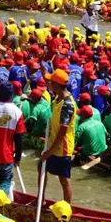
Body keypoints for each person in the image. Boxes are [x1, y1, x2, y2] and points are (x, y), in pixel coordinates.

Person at [41, 69, 77, 203]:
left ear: (56, 84)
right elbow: (47, 79)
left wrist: (49, 152)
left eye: (51, 82)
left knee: (64, 179)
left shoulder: (67, 104)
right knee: (41, 167)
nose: (48, 84)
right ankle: (41, 200)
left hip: (62, 147)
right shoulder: (58, 96)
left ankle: (67, 208)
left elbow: (62, 131)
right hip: (53, 143)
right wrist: (42, 67)